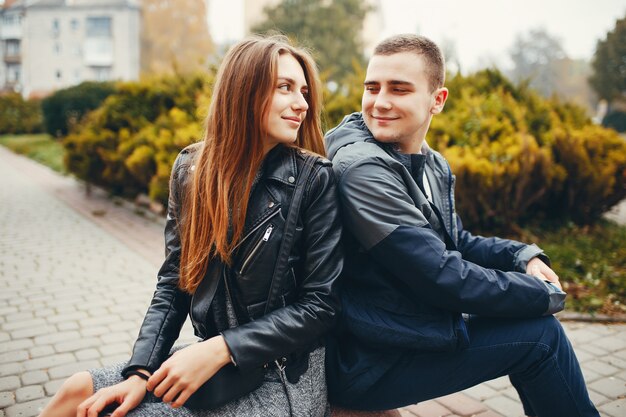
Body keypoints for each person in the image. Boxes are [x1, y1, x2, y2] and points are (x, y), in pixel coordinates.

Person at [40, 35, 342, 417]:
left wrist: (220, 348)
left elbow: (320, 306)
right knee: (75, 391)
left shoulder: (313, 179)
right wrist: (139, 370)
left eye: (303, 91)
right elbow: (174, 283)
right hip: (215, 362)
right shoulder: (191, 171)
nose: (302, 103)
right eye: (284, 88)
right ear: (243, 91)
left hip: (282, 375)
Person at [324, 34, 599, 417]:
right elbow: (441, 276)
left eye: (399, 89)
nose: (380, 101)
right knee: (540, 339)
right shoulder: (361, 171)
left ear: (437, 100)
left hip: (402, 330)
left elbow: (458, 243)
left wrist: (523, 257)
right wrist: (540, 296)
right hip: (367, 360)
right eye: (372, 87)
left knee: (537, 335)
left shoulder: (429, 163)